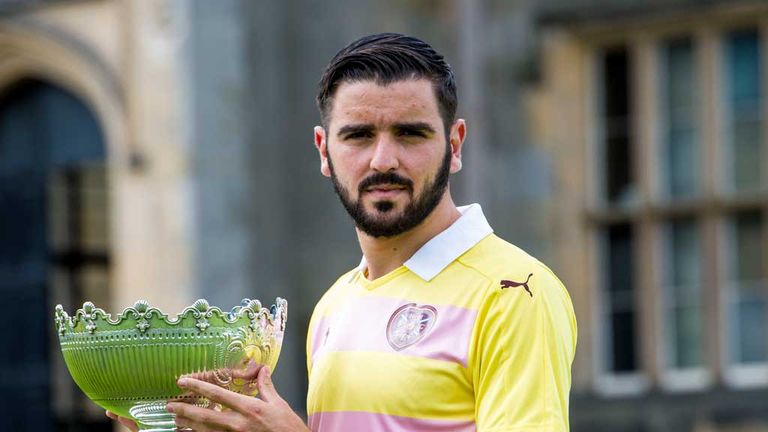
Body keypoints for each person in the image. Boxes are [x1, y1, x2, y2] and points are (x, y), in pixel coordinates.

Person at [108, 32, 577, 432]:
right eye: (358, 136)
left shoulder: (515, 294)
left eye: (410, 134)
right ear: (324, 151)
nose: (383, 160)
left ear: (453, 146)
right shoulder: (335, 304)